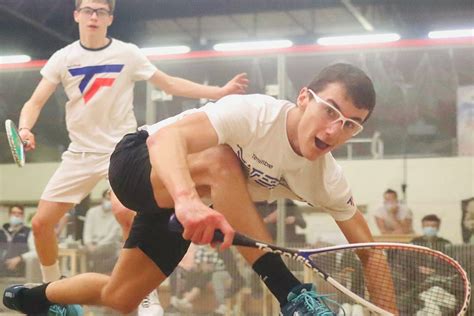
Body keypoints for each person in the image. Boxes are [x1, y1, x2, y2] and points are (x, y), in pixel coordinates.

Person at [4, 63, 397, 315]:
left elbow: (371, 255)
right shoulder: (253, 114)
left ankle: (33, 299)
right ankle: (290, 291)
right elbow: (164, 142)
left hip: (184, 204)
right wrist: (188, 201)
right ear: (303, 98)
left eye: (350, 124)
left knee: (120, 297)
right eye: (330, 110)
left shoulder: (326, 179)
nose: (334, 129)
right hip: (137, 164)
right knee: (222, 161)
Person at [14, 0, 248, 315]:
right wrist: (25, 127)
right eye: (87, 10)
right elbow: (35, 100)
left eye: (101, 11)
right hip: (79, 154)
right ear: (76, 15)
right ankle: (50, 295)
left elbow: (170, 83)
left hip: (119, 152)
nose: (93, 16)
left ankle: (145, 295)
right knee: (41, 224)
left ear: (110, 18)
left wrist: (218, 92)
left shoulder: (127, 54)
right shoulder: (63, 58)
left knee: (127, 215)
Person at [82, 189, 121, 273]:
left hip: (108, 246)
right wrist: (89, 244)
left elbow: (112, 236)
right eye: (107, 199)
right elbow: (87, 233)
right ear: (102, 199)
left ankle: (98, 277)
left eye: (111, 200)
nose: (109, 202)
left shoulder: (117, 214)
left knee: (103, 255)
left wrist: (97, 246)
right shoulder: (92, 212)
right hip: (92, 245)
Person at [0, 205, 35, 277]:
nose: (16, 215)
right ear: (9, 215)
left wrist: (20, 258)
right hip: (2, 272)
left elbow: (35, 252)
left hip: (20, 272)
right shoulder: (2, 232)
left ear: (23, 216)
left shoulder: (28, 232)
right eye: (14, 213)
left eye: (20, 213)